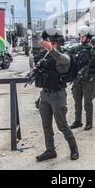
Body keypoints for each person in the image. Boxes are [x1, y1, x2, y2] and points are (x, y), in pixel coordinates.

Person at [34, 28, 79, 161]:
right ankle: (50, 150)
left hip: (58, 95)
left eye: (51, 42)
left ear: (57, 43)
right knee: (46, 125)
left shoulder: (64, 54)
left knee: (62, 125)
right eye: (47, 42)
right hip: (45, 94)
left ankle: (74, 148)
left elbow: (63, 59)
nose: (48, 44)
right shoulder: (44, 56)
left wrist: (52, 50)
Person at [67, 26, 95, 131]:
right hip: (77, 79)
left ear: (88, 37)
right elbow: (67, 51)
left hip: (89, 81)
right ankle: (78, 121)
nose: (81, 38)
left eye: (83, 36)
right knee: (77, 102)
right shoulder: (78, 48)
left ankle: (89, 123)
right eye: (80, 36)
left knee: (88, 102)